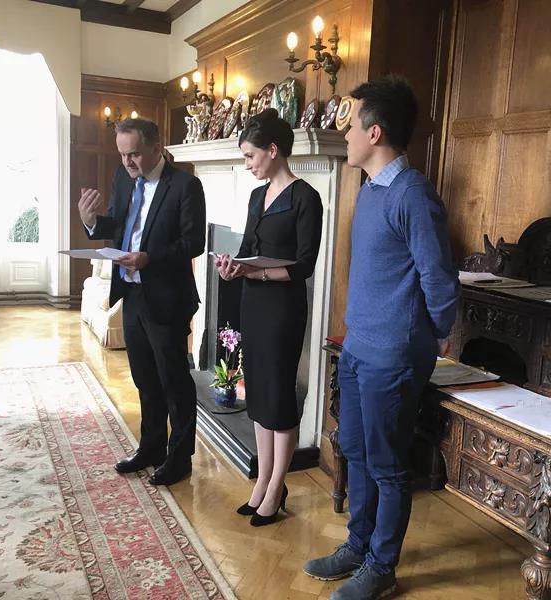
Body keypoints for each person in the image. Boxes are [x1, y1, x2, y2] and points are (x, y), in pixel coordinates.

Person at [303, 77, 458, 599]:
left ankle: (382, 566)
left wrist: (436, 333)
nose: (345, 134)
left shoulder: (413, 195)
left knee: (388, 465)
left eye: (351, 126)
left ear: (376, 133)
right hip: (358, 346)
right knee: (355, 448)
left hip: (393, 354)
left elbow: (438, 277)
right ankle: (358, 545)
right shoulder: (370, 189)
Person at [78, 118, 205, 486]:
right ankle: (151, 447)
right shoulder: (123, 178)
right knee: (145, 378)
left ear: (155, 147)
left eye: (133, 154)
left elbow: (193, 242)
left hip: (167, 298)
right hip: (131, 293)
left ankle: (180, 458)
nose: (127, 162)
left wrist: (150, 258)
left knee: (174, 382)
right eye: (122, 155)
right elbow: (119, 226)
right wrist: (91, 222)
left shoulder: (185, 185)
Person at [214, 108, 323, 527]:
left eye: (250, 155)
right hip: (253, 303)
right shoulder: (256, 197)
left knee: (278, 395)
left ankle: (277, 486)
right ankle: (262, 479)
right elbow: (247, 249)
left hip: (283, 308)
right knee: (258, 392)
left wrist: (256, 272)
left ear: (272, 150)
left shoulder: (306, 198)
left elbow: (304, 265)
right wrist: (232, 267)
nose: (247, 164)